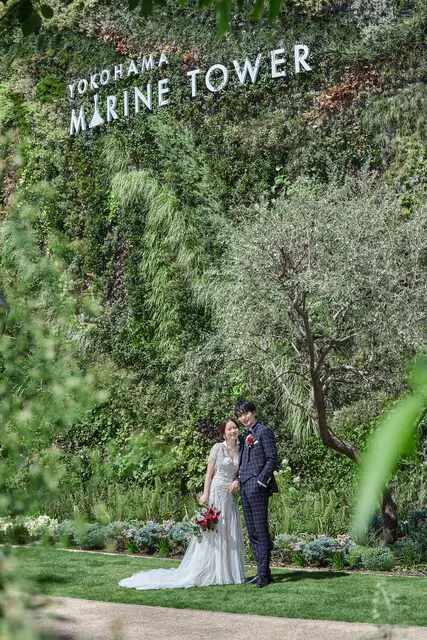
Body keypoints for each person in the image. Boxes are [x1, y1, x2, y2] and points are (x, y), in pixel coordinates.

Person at [118, 418, 245, 589]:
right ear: (224, 433)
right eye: (229, 429)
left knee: (228, 531)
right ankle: (212, 570)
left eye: (235, 427)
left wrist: (237, 481)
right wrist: (205, 494)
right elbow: (209, 474)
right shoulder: (217, 448)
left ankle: (228, 572)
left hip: (229, 496)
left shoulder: (241, 449)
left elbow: (240, 471)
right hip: (216, 492)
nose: (233, 431)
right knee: (214, 531)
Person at [235, 400, 278, 588]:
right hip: (245, 487)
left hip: (257, 487)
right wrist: (239, 478)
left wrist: (261, 481)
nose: (243, 418)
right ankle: (262, 572)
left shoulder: (263, 432)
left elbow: (272, 459)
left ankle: (264, 575)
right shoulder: (246, 435)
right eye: (240, 415)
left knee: (261, 531)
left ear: (254, 412)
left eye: (246, 413)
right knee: (252, 532)